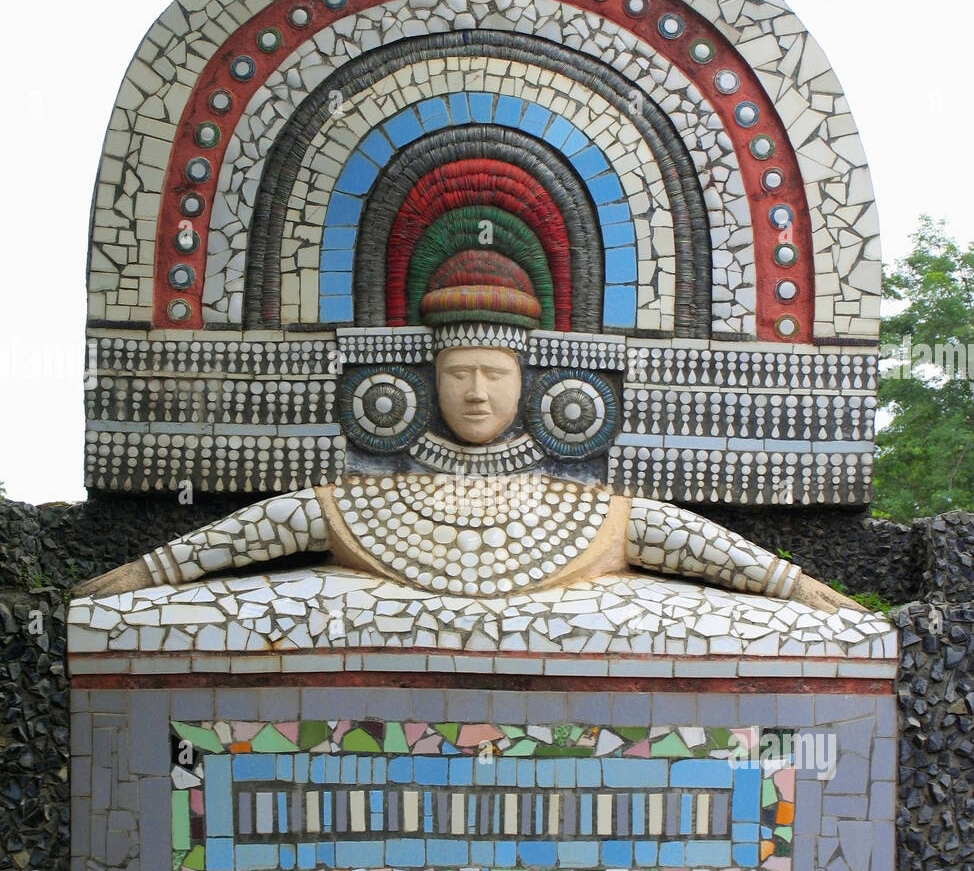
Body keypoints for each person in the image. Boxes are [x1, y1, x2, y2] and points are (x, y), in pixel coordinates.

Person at [75, 283, 861, 615]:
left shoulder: (595, 511)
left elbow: (675, 535)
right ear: (420, 383)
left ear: (538, 385)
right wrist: (150, 572)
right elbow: (272, 525)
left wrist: (789, 584)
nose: (477, 393)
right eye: (457, 374)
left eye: (493, 374)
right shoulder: (357, 503)